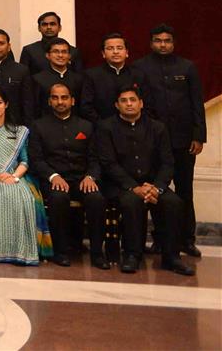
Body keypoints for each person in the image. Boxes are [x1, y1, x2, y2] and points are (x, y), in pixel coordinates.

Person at [93, 86, 194, 276]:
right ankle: (132, 255)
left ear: (141, 103)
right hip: (121, 185)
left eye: (133, 100)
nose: (129, 104)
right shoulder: (106, 127)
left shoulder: (157, 128)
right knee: (132, 202)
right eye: (124, 101)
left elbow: (167, 163)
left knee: (173, 202)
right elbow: (109, 164)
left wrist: (157, 187)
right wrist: (133, 187)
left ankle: (172, 256)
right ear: (117, 105)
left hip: (153, 184)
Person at [135, 23, 205, 258]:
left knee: (185, 191)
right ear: (151, 43)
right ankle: (160, 239)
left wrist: (198, 136)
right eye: (158, 40)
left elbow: (197, 103)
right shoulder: (140, 67)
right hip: (153, 142)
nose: (162, 44)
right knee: (156, 191)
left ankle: (187, 239)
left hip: (184, 141)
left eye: (167, 40)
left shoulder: (187, 67)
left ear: (173, 43)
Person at [29, 81, 106, 268]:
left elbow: (96, 159)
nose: (60, 101)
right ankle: (61, 251)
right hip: (54, 180)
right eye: (55, 98)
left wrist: (91, 176)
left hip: (82, 179)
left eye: (64, 97)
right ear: (49, 101)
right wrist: (53, 176)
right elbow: (36, 159)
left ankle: (97, 253)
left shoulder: (86, 126)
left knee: (96, 199)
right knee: (58, 199)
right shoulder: (39, 126)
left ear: (72, 101)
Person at [0, 88, 50, 266]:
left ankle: (22, 252)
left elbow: (25, 161)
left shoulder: (19, 131)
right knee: (1, 196)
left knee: (23, 197)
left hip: (15, 176)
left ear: (6, 104)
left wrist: (14, 177)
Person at [81, 32, 139, 122]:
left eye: (119, 48)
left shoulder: (137, 74)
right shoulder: (92, 75)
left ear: (127, 52)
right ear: (103, 53)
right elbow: (86, 107)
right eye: (110, 48)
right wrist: (103, 125)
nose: (115, 52)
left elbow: (146, 104)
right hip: (101, 128)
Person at [31, 39, 84, 114]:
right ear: (47, 55)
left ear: (69, 56)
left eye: (64, 52)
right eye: (56, 52)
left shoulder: (79, 79)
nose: (60, 55)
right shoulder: (37, 79)